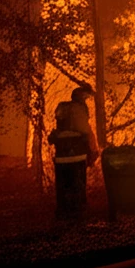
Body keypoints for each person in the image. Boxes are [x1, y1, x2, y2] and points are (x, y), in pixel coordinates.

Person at [48, 85, 99, 219]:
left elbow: (52, 137)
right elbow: (87, 134)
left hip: (61, 159)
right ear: (82, 98)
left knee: (63, 186)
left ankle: (63, 212)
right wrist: (93, 152)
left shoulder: (62, 109)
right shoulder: (81, 112)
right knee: (78, 185)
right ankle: (78, 212)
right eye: (87, 97)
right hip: (78, 157)